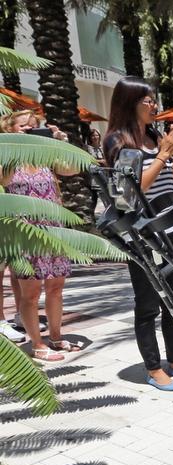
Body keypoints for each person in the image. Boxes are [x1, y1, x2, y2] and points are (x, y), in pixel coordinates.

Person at [102, 76, 173, 390]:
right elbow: (126, 195)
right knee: (148, 303)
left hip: (171, 226)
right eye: (149, 101)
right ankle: (152, 366)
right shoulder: (118, 141)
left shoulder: (154, 135)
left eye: (154, 100)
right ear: (130, 102)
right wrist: (162, 155)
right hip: (143, 235)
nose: (154, 106)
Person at [0, 110, 83, 361]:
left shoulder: (46, 156)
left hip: (53, 227)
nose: (28, 129)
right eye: (23, 126)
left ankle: (56, 337)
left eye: (34, 126)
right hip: (24, 232)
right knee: (31, 292)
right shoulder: (5, 154)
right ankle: (37, 343)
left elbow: (71, 170)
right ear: (10, 129)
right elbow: (2, 179)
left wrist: (60, 143)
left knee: (56, 286)